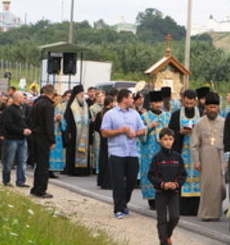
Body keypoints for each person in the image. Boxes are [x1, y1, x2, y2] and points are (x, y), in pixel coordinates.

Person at [101, 89, 146, 218]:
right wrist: (121, 130)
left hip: (132, 152)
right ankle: (118, 209)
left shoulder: (135, 114)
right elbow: (104, 132)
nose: (133, 100)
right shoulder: (110, 114)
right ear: (124, 99)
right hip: (116, 152)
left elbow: (142, 130)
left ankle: (124, 202)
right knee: (118, 182)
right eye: (131, 98)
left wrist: (135, 133)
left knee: (132, 180)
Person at [147, 128, 187, 245]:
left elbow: (183, 174)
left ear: (174, 140)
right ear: (160, 140)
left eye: (170, 139)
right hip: (161, 193)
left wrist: (176, 184)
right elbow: (151, 175)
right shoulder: (157, 158)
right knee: (162, 219)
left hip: (174, 192)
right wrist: (162, 184)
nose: (168, 142)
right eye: (165, 139)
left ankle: (167, 235)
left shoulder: (177, 157)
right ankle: (164, 244)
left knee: (175, 217)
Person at [192, 92, 226, 221]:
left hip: (220, 158)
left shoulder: (224, 122)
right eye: (210, 107)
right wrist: (197, 161)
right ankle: (206, 214)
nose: (212, 110)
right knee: (207, 187)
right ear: (206, 107)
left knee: (220, 188)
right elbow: (194, 145)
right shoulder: (200, 123)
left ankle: (216, 212)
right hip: (205, 158)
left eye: (215, 107)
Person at [169, 89, 202, 215]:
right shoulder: (176, 115)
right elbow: (170, 133)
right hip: (182, 151)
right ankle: (182, 208)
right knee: (182, 177)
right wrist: (180, 132)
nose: (189, 106)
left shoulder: (201, 114)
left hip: (197, 153)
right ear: (183, 100)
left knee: (198, 178)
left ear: (195, 101)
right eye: (187, 103)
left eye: (191, 103)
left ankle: (196, 208)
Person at [138, 91, 171, 209]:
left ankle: (164, 198)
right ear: (150, 103)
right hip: (149, 151)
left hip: (164, 151)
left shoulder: (167, 116)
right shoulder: (144, 117)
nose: (158, 104)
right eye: (156, 102)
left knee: (165, 173)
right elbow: (140, 135)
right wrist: (150, 126)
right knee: (151, 172)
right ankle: (152, 200)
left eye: (160, 102)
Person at [28, 85, 57, 198]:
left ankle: (35, 188)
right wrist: (52, 140)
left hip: (35, 135)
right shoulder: (48, 105)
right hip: (44, 137)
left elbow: (30, 119)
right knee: (44, 165)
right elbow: (49, 124)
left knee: (38, 164)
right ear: (52, 93)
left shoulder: (37, 102)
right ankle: (41, 190)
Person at [1, 91, 32, 187]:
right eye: (23, 98)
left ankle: (21, 180)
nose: (24, 99)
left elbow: (23, 122)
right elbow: (9, 125)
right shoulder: (9, 110)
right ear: (18, 98)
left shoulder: (22, 109)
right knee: (9, 161)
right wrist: (21, 131)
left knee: (22, 161)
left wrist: (27, 129)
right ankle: (6, 180)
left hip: (22, 139)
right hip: (12, 139)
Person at [62, 85, 92, 176]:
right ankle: (73, 170)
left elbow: (89, 117)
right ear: (76, 95)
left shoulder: (85, 105)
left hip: (84, 133)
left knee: (84, 150)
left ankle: (83, 170)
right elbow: (67, 120)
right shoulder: (71, 106)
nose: (82, 96)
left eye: (83, 94)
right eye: (81, 94)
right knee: (73, 151)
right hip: (74, 133)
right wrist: (68, 132)